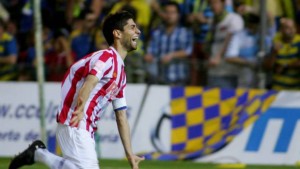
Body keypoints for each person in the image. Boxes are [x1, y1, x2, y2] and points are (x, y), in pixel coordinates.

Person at [9, 11, 144, 169]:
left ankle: (38, 153)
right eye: (132, 27)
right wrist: (80, 109)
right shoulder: (106, 58)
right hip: (76, 122)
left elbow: (121, 115)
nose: (138, 31)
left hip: (85, 128)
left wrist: (129, 153)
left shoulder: (121, 74)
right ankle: (39, 153)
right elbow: (90, 82)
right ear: (117, 34)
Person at [144, 1, 193, 85]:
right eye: (167, 12)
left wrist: (172, 55)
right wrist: (149, 56)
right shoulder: (157, 33)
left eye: (173, 13)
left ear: (178, 15)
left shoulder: (184, 32)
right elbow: (151, 51)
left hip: (179, 78)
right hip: (160, 79)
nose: (169, 15)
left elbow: (188, 51)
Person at [264, 18, 300, 90]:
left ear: (296, 29)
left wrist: (285, 66)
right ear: (281, 30)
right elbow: (267, 67)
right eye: (287, 27)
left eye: (292, 27)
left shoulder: (299, 41)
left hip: (296, 90)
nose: (290, 30)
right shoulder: (275, 41)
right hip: (278, 89)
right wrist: (274, 53)